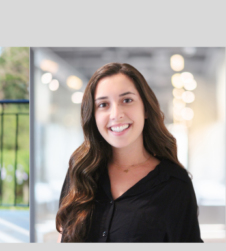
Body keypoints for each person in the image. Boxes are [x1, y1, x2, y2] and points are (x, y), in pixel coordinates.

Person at [56, 63, 202, 242]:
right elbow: (64, 235)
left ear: (146, 108)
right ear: (93, 116)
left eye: (127, 100)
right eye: (103, 104)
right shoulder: (80, 171)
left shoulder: (175, 183)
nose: (116, 114)